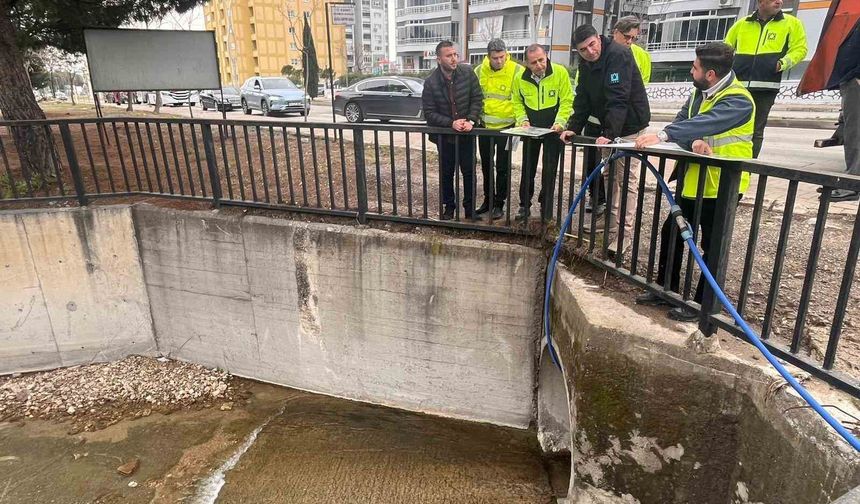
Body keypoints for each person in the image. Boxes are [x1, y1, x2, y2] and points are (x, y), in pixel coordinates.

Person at [634, 42, 754, 321]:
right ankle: (667, 289)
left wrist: (666, 136)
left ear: (710, 73)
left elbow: (707, 123)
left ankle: (704, 306)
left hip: (721, 184)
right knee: (672, 232)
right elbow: (685, 124)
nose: (691, 70)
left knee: (713, 246)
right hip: (693, 181)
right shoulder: (699, 95)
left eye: (695, 67)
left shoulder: (739, 99)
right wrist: (690, 138)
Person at [561, 24, 650, 255]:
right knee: (610, 177)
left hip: (629, 125)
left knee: (625, 180)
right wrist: (573, 127)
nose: (590, 51)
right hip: (608, 126)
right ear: (578, 52)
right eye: (583, 49)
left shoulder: (618, 55)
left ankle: (622, 237)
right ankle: (610, 225)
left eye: (592, 44)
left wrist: (609, 135)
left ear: (598, 38)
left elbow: (618, 98)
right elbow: (583, 97)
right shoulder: (587, 63)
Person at [725, 0, 807, 158]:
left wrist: (781, 64)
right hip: (737, 86)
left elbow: (800, 49)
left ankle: (747, 166)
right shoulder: (742, 24)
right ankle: (728, 161)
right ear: (761, 2)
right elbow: (726, 48)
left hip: (766, 86)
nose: (780, 1)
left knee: (755, 130)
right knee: (730, 126)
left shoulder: (791, 24)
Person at [422, 40, 484, 220]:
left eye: (455, 54)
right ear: (439, 59)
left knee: (469, 172)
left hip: (467, 135)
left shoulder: (467, 73)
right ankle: (449, 208)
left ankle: (470, 209)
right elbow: (429, 113)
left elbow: (477, 99)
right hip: (445, 137)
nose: (454, 59)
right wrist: (451, 123)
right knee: (447, 173)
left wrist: (471, 120)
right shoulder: (431, 82)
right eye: (449, 55)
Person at [511, 44, 573, 222]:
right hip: (531, 129)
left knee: (550, 169)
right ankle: (524, 205)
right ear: (527, 63)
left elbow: (567, 99)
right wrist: (522, 120)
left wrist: (560, 121)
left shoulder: (560, 72)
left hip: (554, 130)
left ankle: (546, 207)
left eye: (541, 60)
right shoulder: (519, 78)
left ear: (546, 56)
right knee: (527, 169)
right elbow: (517, 101)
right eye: (533, 62)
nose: (539, 65)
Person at [475, 39, 524, 219]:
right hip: (485, 127)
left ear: (506, 54)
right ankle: (488, 200)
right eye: (495, 58)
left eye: (502, 57)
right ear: (488, 57)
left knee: (503, 168)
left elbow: (521, 99)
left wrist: (520, 123)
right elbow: (475, 97)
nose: (499, 61)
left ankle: (499, 204)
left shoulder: (517, 70)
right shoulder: (479, 70)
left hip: (508, 129)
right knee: (486, 166)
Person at [825, 17, 860, 202]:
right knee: (852, 130)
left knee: (856, 132)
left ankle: (852, 184)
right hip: (850, 79)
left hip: (856, 80)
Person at [612, 16, 651, 85]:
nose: (629, 41)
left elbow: (644, 84)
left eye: (633, 38)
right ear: (616, 33)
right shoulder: (601, 52)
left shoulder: (643, 55)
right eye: (627, 37)